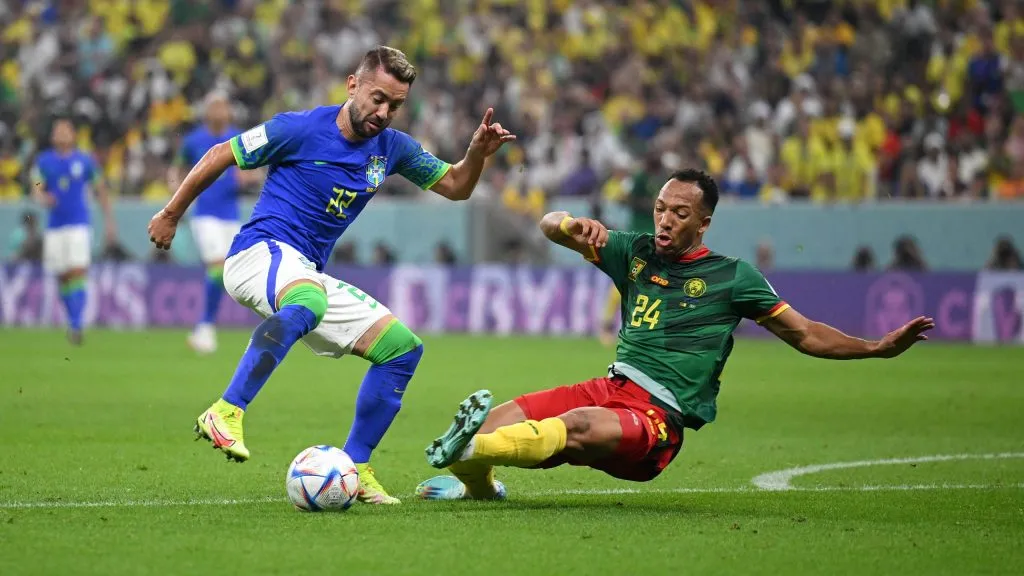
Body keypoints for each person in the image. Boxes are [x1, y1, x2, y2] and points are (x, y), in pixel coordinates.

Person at [416, 169, 934, 501]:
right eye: (661, 209)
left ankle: (468, 452)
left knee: (572, 427)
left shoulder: (734, 277)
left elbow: (805, 335)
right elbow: (548, 225)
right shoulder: (633, 250)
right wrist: (572, 224)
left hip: (655, 418)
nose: (664, 221)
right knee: (506, 416)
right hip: (611, 386)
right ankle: (479, 482)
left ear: (702, 223)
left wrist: (875, 348)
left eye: (679, 214)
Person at [147, 46, 514, 505]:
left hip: (304, 273)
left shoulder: (392, 149)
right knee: (309, 300)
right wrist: (170, 213)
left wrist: (476, 154)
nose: (383, 113)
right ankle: (226, 410)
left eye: (395, 105)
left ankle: (357, 466)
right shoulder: (298, 128)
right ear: (352, 85)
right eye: (378, 98)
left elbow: (457, 186)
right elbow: (223, 152)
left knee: (402, 349)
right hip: (259, 253)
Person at [169, 91, 249, 354]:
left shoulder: (239, 136)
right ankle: (205, 328)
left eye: (222, 106)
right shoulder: (194, 140)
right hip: (205, 214)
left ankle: (206, 328)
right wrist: (176, 189)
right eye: (213, 106)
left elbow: (256, 169)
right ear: (206, 111)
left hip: (231, 214)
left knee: (230, 273)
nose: (218, 112)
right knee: (217, 267)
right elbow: (177, 168)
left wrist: (246, 179)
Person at [32, 118, 116, 345]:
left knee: (78, 271)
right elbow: (36, 184)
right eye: (58, 130)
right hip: (55, 226)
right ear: (52, 136)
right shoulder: (44, 160)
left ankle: (77, 325)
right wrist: (42, 195)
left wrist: (109, 221)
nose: (62, 134)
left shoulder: (85, 161)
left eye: (66, 130)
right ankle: (73, 320)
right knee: (63, 276)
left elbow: (100, 189)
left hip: (79, 224)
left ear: (73, 135)